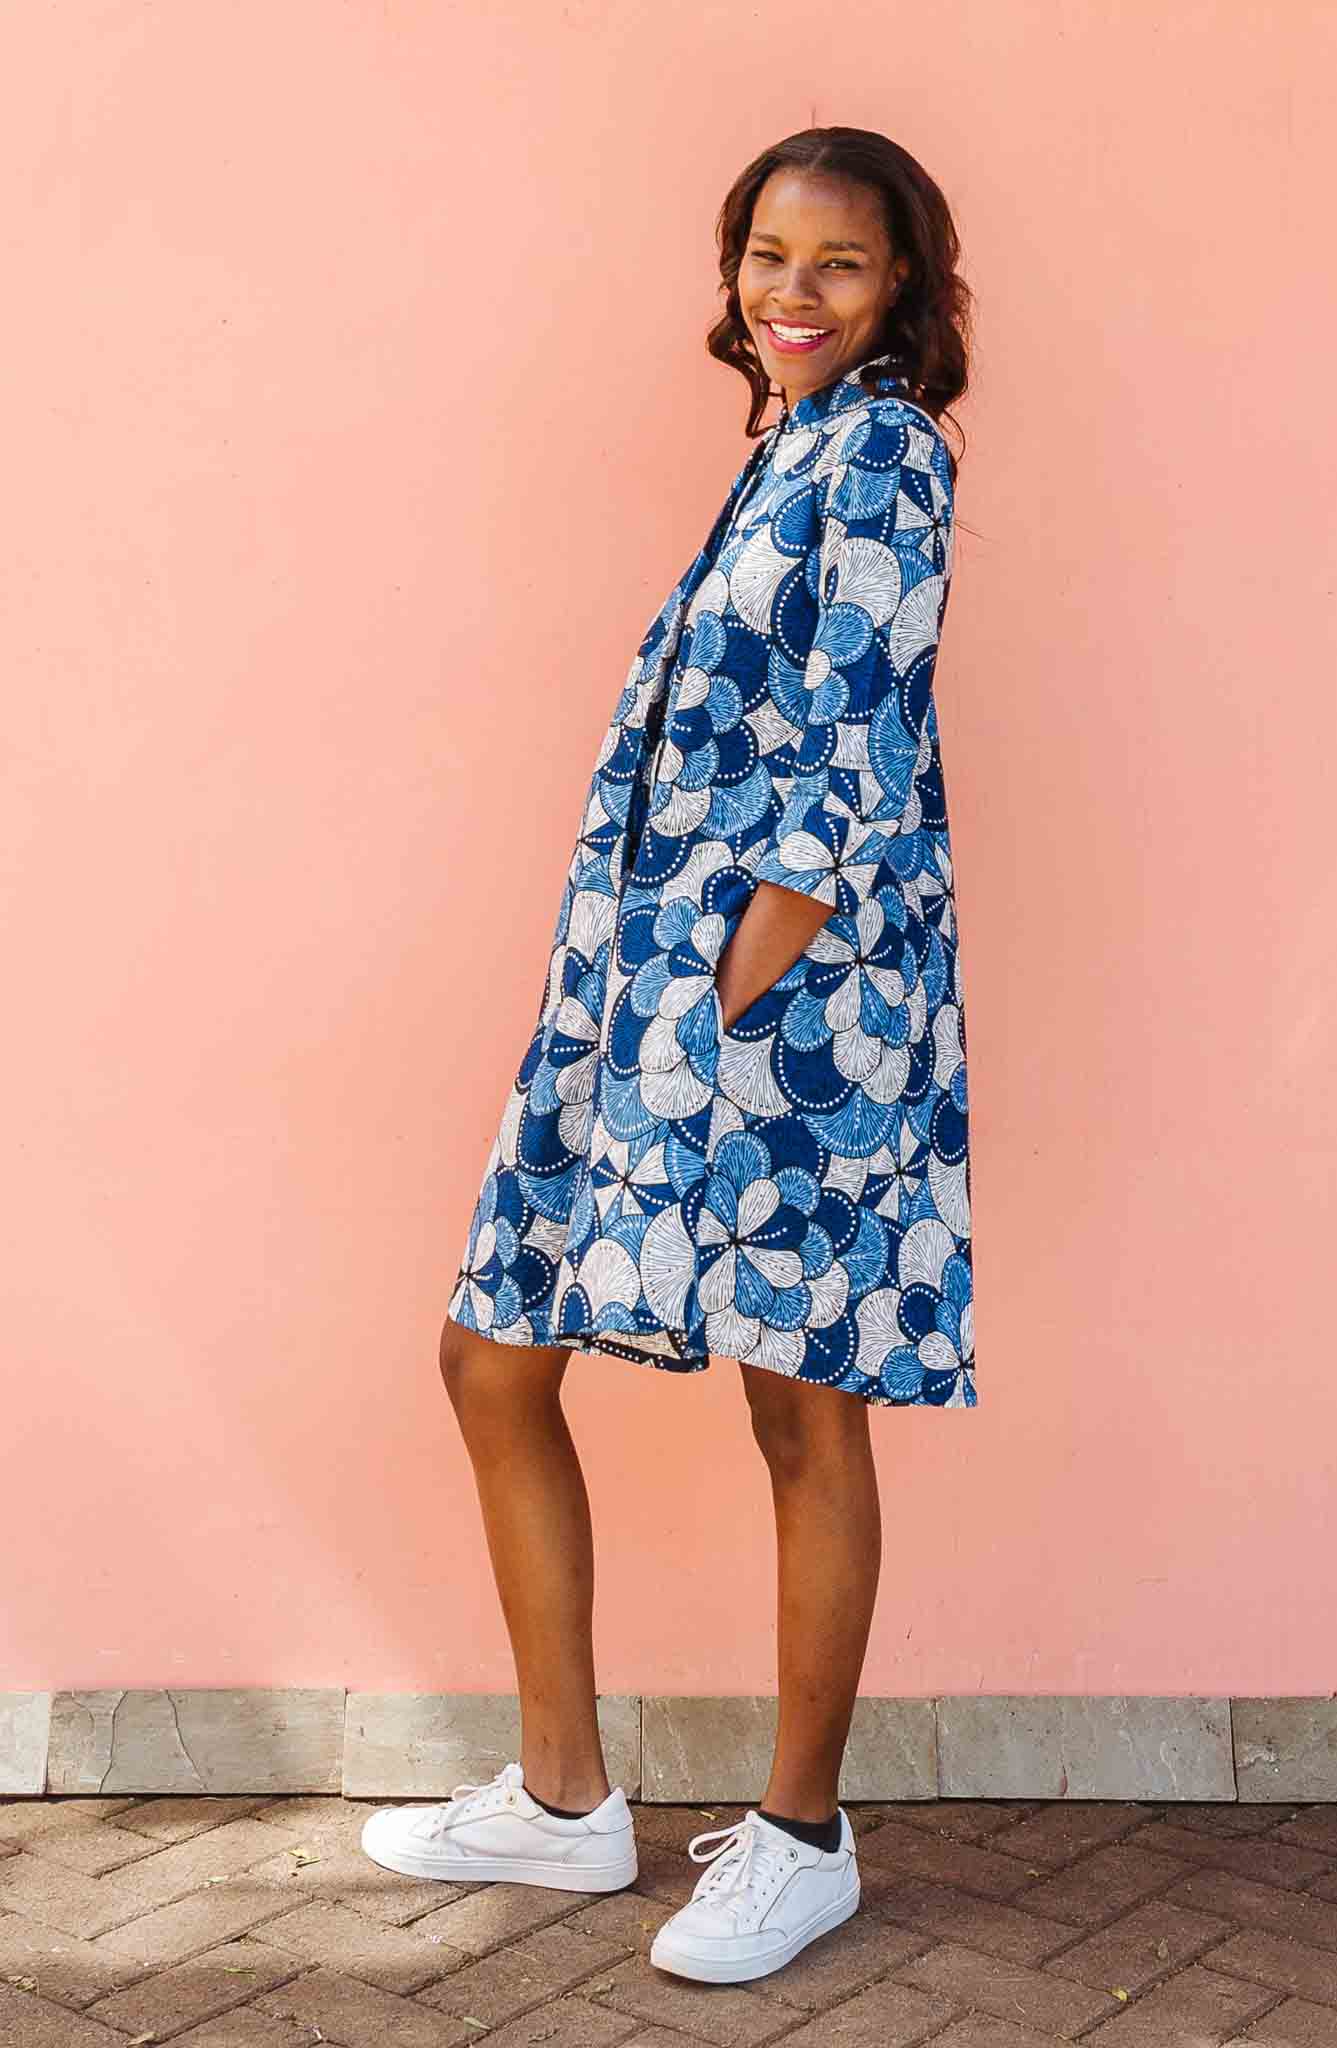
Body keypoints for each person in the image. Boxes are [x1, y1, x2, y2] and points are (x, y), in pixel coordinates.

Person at [361, 125, 977, 1983]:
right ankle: (563, 1804)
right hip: (642, 995)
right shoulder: (790, 445)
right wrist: (650, 998)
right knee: (494, 1354)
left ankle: (803, 1836)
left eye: (841, 266)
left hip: (777, 1015)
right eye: (768, 256)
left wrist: (727, 999)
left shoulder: (883, 457)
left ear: (906, 293)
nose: (793, 293)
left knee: (800, 1398)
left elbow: (849, 763)